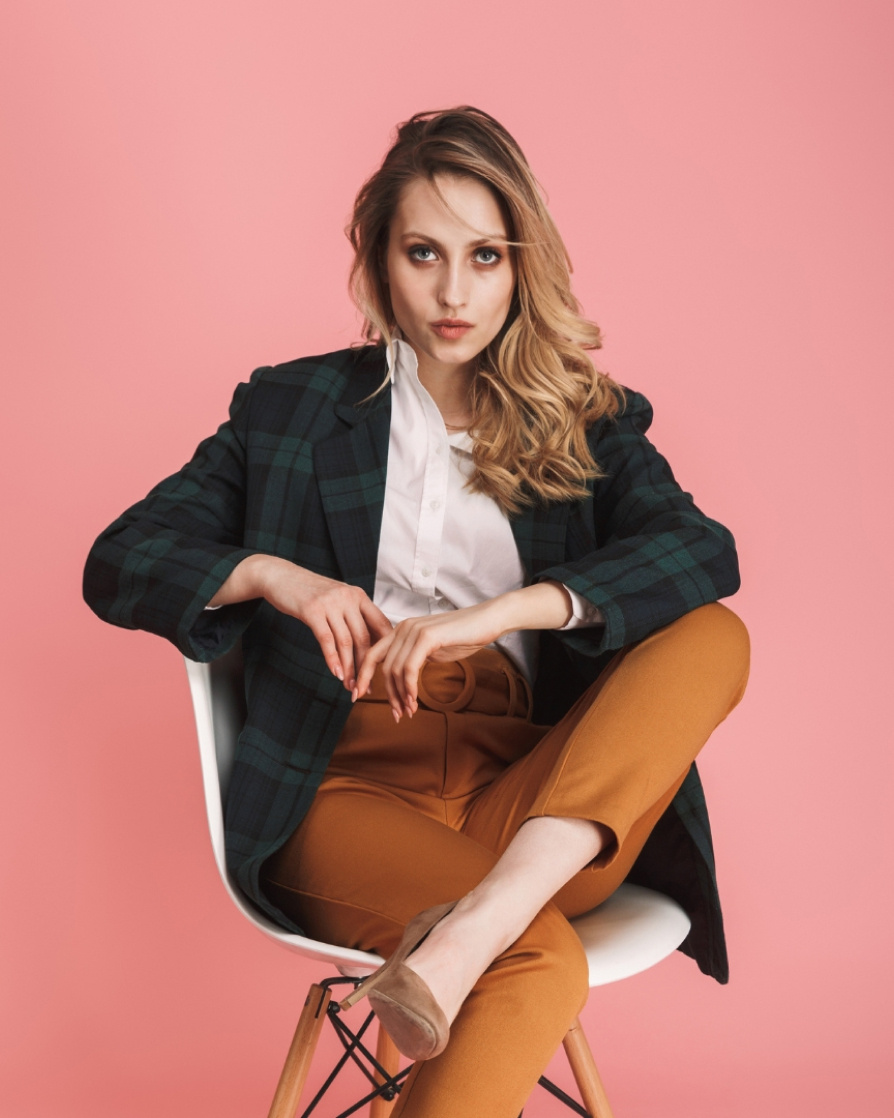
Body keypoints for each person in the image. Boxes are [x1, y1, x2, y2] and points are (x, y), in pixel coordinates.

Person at [84, 106, 750, 1117]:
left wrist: (501, 613)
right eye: (424, 253)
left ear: (521, 264)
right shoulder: (293, 412)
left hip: (536, 800)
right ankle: (487, 932)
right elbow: (120, 558)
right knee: (537, 960)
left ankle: (473, 927)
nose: (453, 291)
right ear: (378, 261)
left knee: (714, 633)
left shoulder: (589, 421)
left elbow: (705, 553)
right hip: (345, 784)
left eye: (484, 256)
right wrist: (277, 575)